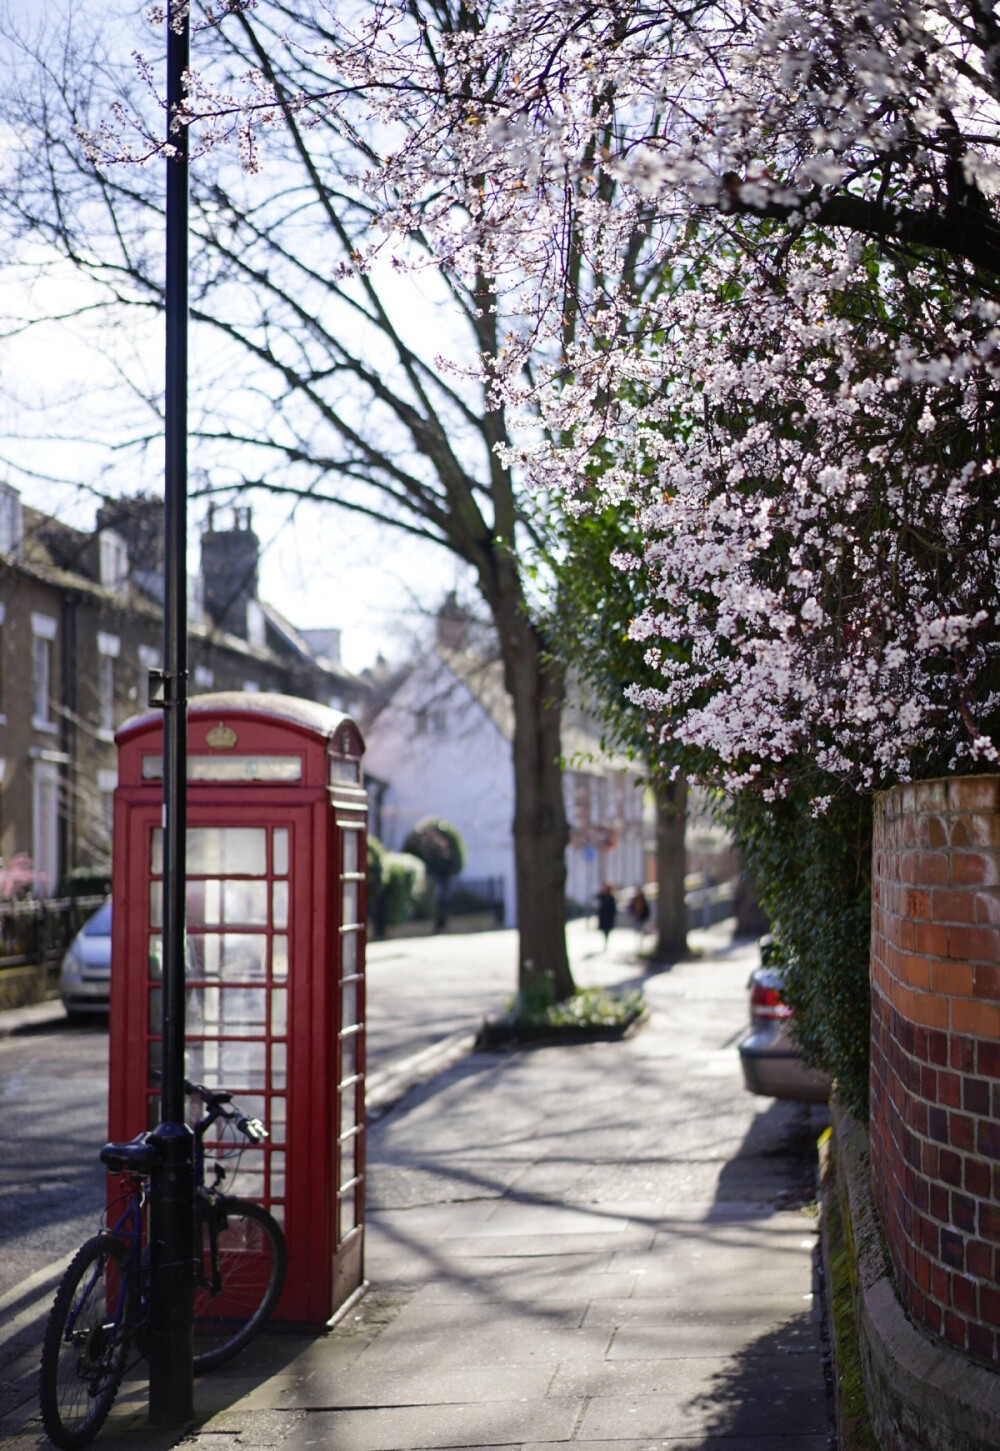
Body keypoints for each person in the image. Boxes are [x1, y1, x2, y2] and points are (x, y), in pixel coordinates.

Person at [595, 883, 617, 948]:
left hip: (608, 916)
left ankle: (606, 941)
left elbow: (613, 908)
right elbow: (597, 897)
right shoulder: (602, 896)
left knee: (607, 930)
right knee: (604, 930)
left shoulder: (611, 897)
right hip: (603, 916)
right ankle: (605, 940)